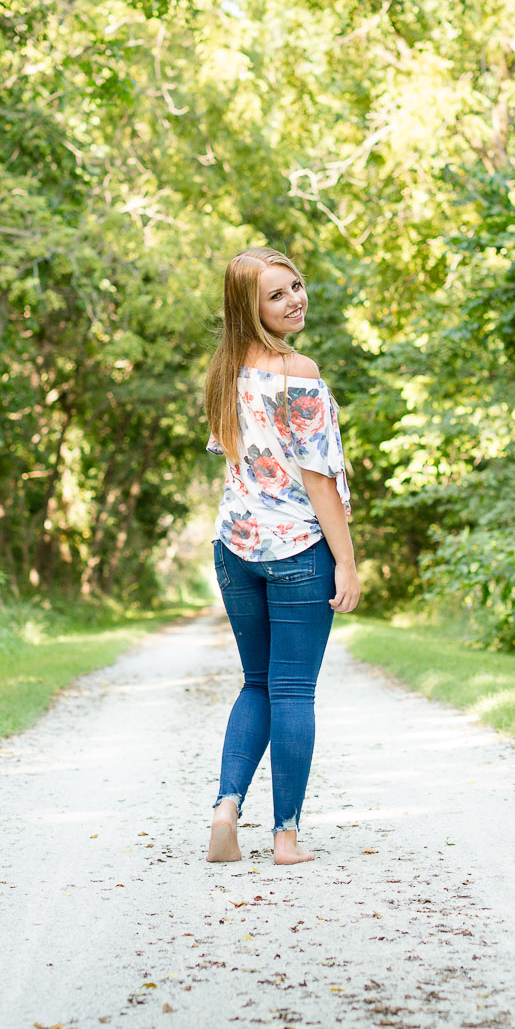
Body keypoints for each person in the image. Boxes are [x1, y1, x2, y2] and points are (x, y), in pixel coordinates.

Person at [203, 246, 360, 866]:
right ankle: (286, 838)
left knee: (257, 683)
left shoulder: (223, 371)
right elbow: (319, 476)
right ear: (250, 307)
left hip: (234, 546)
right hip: (296, 546)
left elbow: (236, 456)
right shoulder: (300, 371)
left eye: (295, 285)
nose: (294, 299)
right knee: (293, 690)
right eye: (276, 294)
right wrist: (345, 561)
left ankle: (225, 806)